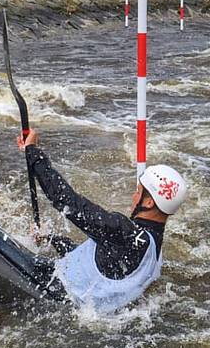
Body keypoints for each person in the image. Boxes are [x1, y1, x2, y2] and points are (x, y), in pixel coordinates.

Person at [17, 129, 188, 313]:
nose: (133, 196)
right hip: (80, 307)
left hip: (52, 296)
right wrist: (51, 239)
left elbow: (66, 201)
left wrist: (33, 152)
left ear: (148, 202)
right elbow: (100, 262)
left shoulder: (124, 232)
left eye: (138, 192)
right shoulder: (154, 249)